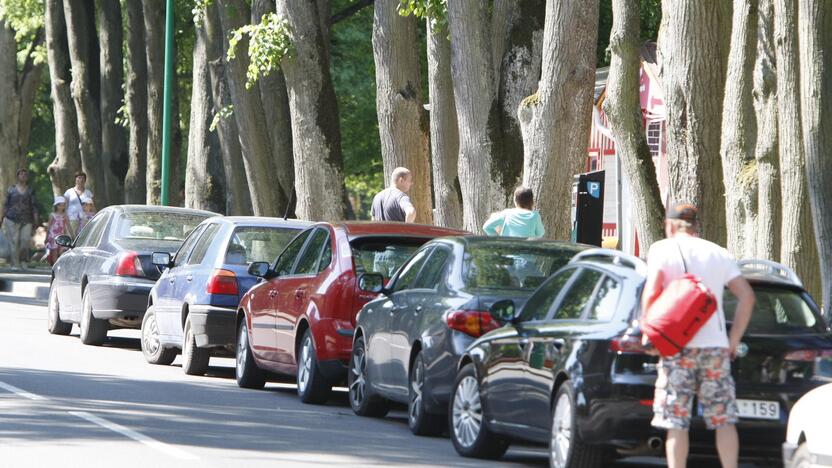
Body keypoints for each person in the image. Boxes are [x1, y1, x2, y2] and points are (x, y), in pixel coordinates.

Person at [640, 202, 756, 468]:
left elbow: (653, 290)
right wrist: (733, 341)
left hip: (675, 347)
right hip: (715, 349)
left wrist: (649, 333)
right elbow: (747, 297)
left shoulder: (661, 249)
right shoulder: (719, 252)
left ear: (669, 225)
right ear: (696, 226)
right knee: (723, 420)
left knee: (676, 422)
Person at [0, 168, 41, 269]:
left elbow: (34, 205)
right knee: (13, 241)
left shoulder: (30, 190)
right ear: (17, 176)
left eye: (25, 175)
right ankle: (14, 263)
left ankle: (23, 260)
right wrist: (1, 217)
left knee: (24, 240)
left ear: (27, 178)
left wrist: (36, 219)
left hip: (27, 219)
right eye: (21, 174)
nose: (23, 176)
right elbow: (6, 205)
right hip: (11, 218)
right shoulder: (11, 189)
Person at [45, 196, 73, 265]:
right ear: (56, 206)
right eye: (59, 205)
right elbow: (49, 227)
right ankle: (55, 266)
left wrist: (72, 235)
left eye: (63, 205)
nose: (61, 207)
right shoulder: (52, 215)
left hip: (62, 235)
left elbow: (68, 226)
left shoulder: (65, 216)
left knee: (62, 251)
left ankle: (60, 264)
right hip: (53, 236)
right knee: (54, 252)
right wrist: (46, 237)